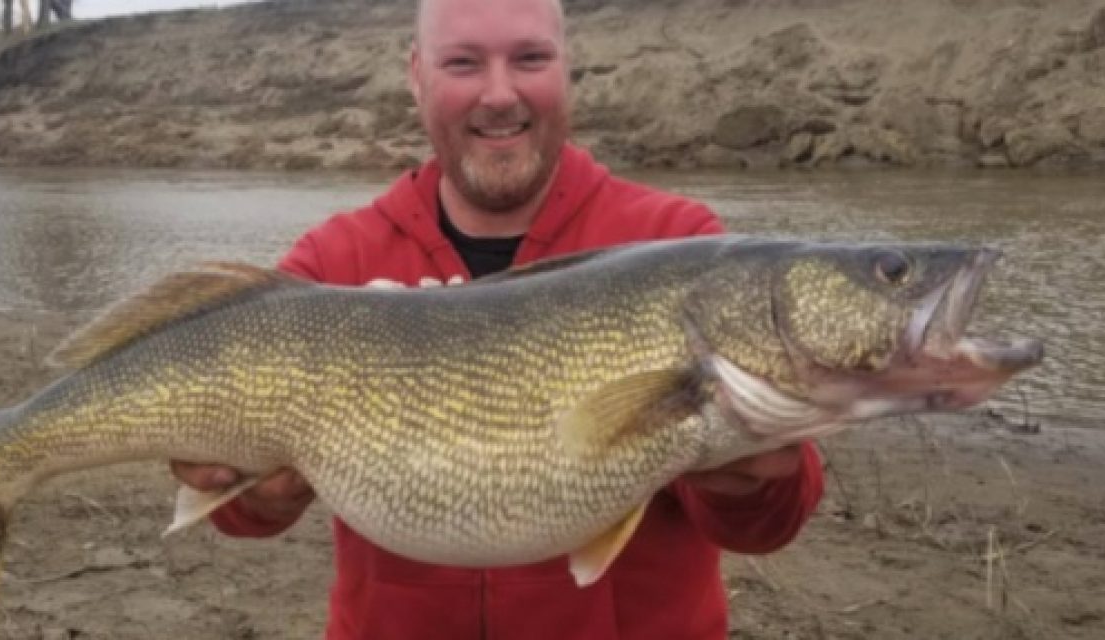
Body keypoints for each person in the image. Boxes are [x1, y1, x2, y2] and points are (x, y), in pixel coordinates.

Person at [173, 0, 824, 637]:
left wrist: (748, 485)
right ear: (417, 75)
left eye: (530, 58)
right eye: (462, 63)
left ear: (567, 67)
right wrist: (253, 495)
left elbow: (764, 527)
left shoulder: (678, 244)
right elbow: (244, 516)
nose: (499, 94)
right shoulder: (332, 261)